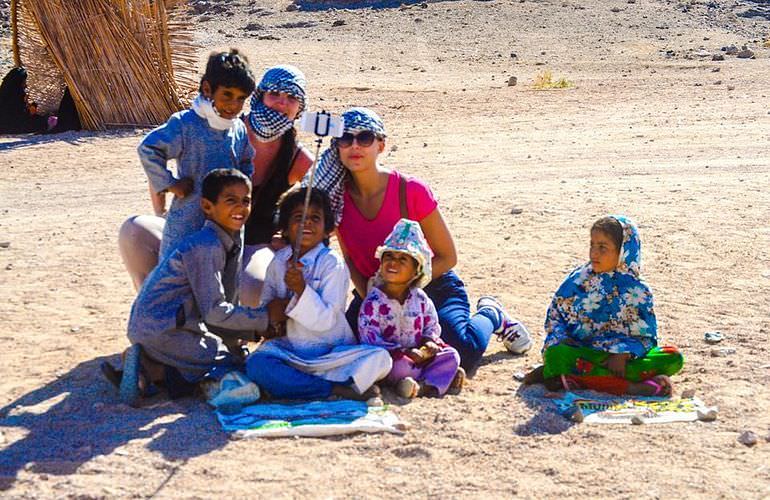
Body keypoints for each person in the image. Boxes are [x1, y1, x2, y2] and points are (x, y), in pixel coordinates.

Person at [306, 107, 531, 376]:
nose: (355, 146)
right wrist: (373, 295)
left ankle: (492, 314)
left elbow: (448, 257)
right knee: (348, 352)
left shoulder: (410, 190)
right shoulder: (336, 197)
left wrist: (406, 288)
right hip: (376, 292)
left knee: (464, 353)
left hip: (431, 287)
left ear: (381, 145)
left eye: (364, 138)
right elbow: (352, 257)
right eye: (345, 139)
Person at [104, 169, 272, 406]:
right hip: (162, 328)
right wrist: (264, 319)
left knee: (225, 352)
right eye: (231, 201)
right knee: (228, 362)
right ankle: (152, 370)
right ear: (206, 206)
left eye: (246, 201)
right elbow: (214, 312)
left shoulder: (221, 241)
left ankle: (147, 365)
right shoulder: (206, 247)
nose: (240, 208)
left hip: (159, 325)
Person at [118, 49, 256, 290]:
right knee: (176, 282)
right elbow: (149, 149)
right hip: (189, 220)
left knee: (226, 286)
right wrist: (170, 183)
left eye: (240, 98)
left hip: (229, 225)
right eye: (227, 95)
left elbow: (246, 162)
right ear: (207, 89)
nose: (233, 105)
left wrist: (242, 195)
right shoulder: (186, 124)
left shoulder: (238, 129)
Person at [245, 187, 391, 401]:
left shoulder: (333, 264)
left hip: (331, 354)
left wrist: (301, 290)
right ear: (284, 229)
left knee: (380, 358)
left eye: (315, 218)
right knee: (257, 365)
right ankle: (332, 389)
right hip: (291, 351)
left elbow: (326, 320)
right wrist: (273, 322)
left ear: (326, 230)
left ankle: (304, 385)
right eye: (298, 217)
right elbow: (268, 307)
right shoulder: (278, 262)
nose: (307, 222)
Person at [524, 215, 684, 396]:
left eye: (602, 247)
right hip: (583, 354)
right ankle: (631, 388)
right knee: (557, 355)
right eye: (592, 245)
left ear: (623, 251)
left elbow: (646, 337)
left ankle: (571, 379)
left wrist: (623, 353)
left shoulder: (638, 291)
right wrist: (562, 339)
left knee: (673, 357)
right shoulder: (578, 280)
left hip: (622, 362)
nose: (594, 253)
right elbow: (555, 318)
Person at [358, 218, 464, 398]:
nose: (393, 263)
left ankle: (421, 388)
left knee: (451, 355)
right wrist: (404, 352)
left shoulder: (420, 299)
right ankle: (434, 380)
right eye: (389, 256)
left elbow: (431, 325)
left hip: (420, 357)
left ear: (416, 271)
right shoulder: (373, 302)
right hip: (395, 358)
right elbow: (370, 338)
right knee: (400, 367)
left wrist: (428, 343)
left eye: (402, 259)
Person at [240, 65, 313, 307]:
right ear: (259, 96)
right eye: (274, 94)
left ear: (299, 108)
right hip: (206, 235)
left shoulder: (298, 158)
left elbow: (326, 207)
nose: (282, 103)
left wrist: (293, 240)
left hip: (254, 242)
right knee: (135, 232)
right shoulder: (227, 134)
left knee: (255, 288)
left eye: (291, 98)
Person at [0, 67, 52, 134]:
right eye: (24, 81)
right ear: (19, 81)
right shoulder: (18, 93)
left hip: (2, 125)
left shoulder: (4, 91)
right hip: (13, 126)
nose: (25, 85)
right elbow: (21, 114)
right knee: (41, 122)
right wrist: (32, 107)